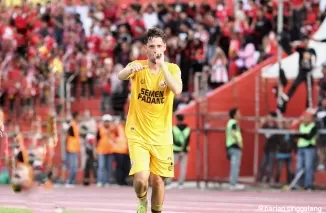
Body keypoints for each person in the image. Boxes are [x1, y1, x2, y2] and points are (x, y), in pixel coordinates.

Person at [117, 27, 182, 213]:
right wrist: (129, 68)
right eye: (152, 46)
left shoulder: (171, 69)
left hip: (161, 136)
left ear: (165, 48)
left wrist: (163, 69)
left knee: (158, 181)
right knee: (140, 179)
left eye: (159, 46)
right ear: (146, 48)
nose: (156, 50)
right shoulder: (139, 67)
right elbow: (120, 76)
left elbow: (177, 90)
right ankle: (142, 201)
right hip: (138, 133)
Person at [225, 108, 244, 190]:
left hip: (230, 146)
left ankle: (233, 183)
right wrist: (238, 142)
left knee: (234, 165)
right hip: (234, 146)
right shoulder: (233, 123)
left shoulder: (230, 122)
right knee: (235, 166)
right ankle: (233, 183)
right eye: (238, 113)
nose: (240, 115)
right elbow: (234, 133)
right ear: (234, 115)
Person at [172, 114, 190, 188]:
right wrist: (183, 150)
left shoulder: (174, 128)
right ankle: (181, 183)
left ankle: (168, 182)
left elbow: (172, 140)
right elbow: (188, 140)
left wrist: (179, 149)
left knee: (171, 166)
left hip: (175, 150)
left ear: (177, 119)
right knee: (183, 167)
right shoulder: (187, 128)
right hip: (184, 151)